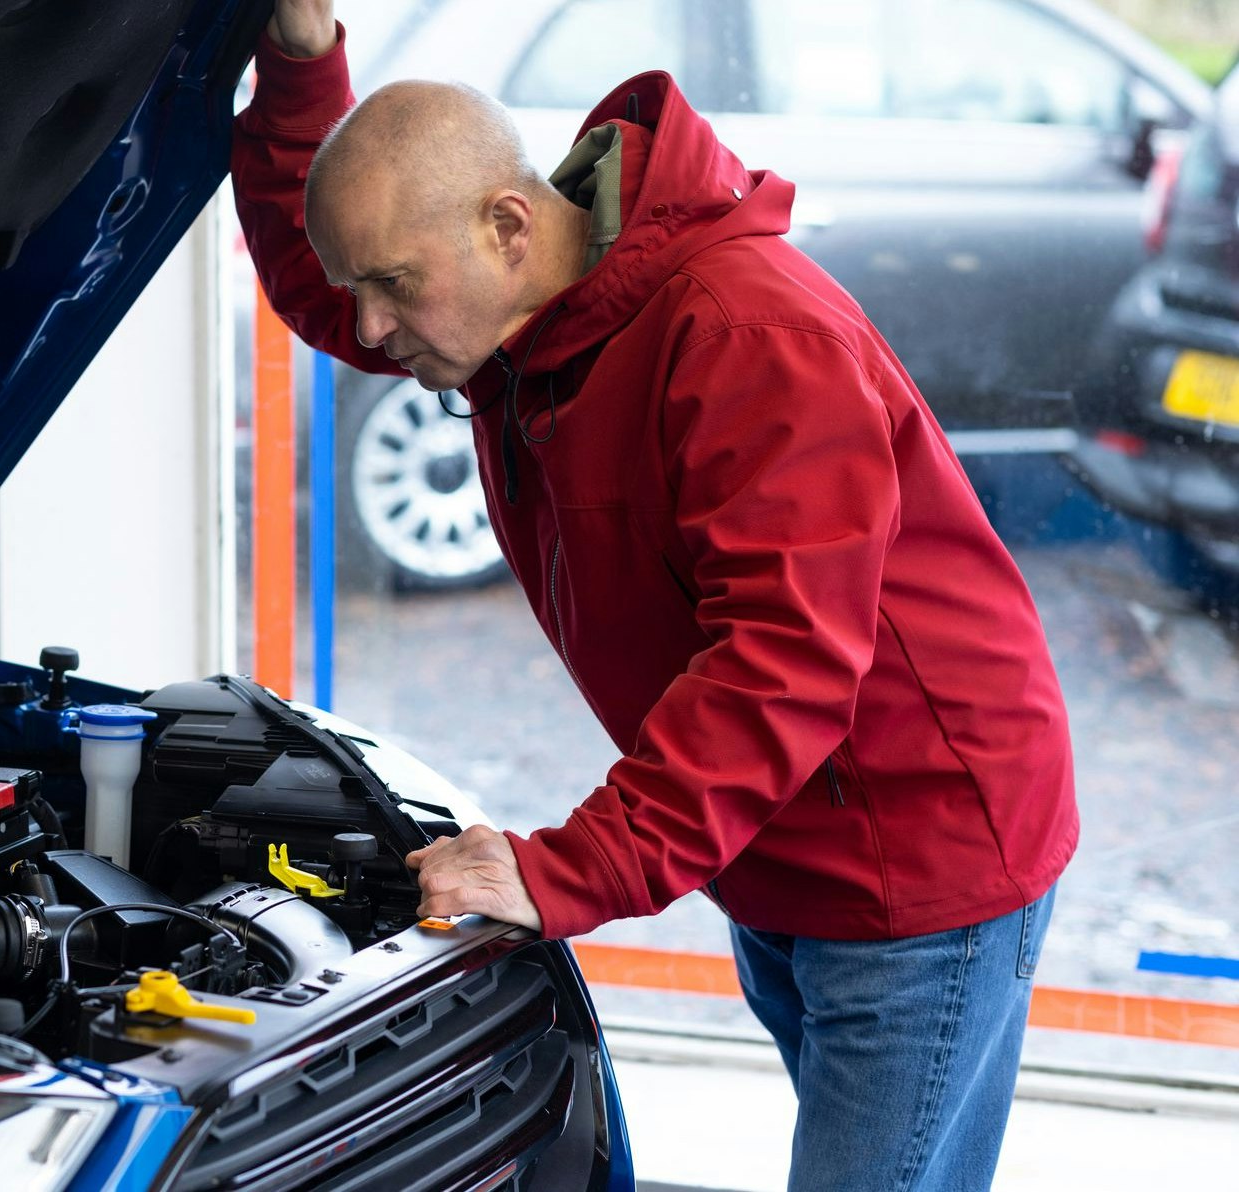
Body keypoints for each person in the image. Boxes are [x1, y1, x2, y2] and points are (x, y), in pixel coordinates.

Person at [236, 3, 1077, 1189]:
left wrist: (562, 869)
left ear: (509, 224)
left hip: (915, 860)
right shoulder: (513, 309)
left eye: (390, 286)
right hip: (780, 837)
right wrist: (299, 63)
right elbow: (320, 273)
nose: (365, 328)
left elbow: (776, 666)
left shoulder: (743, 335)